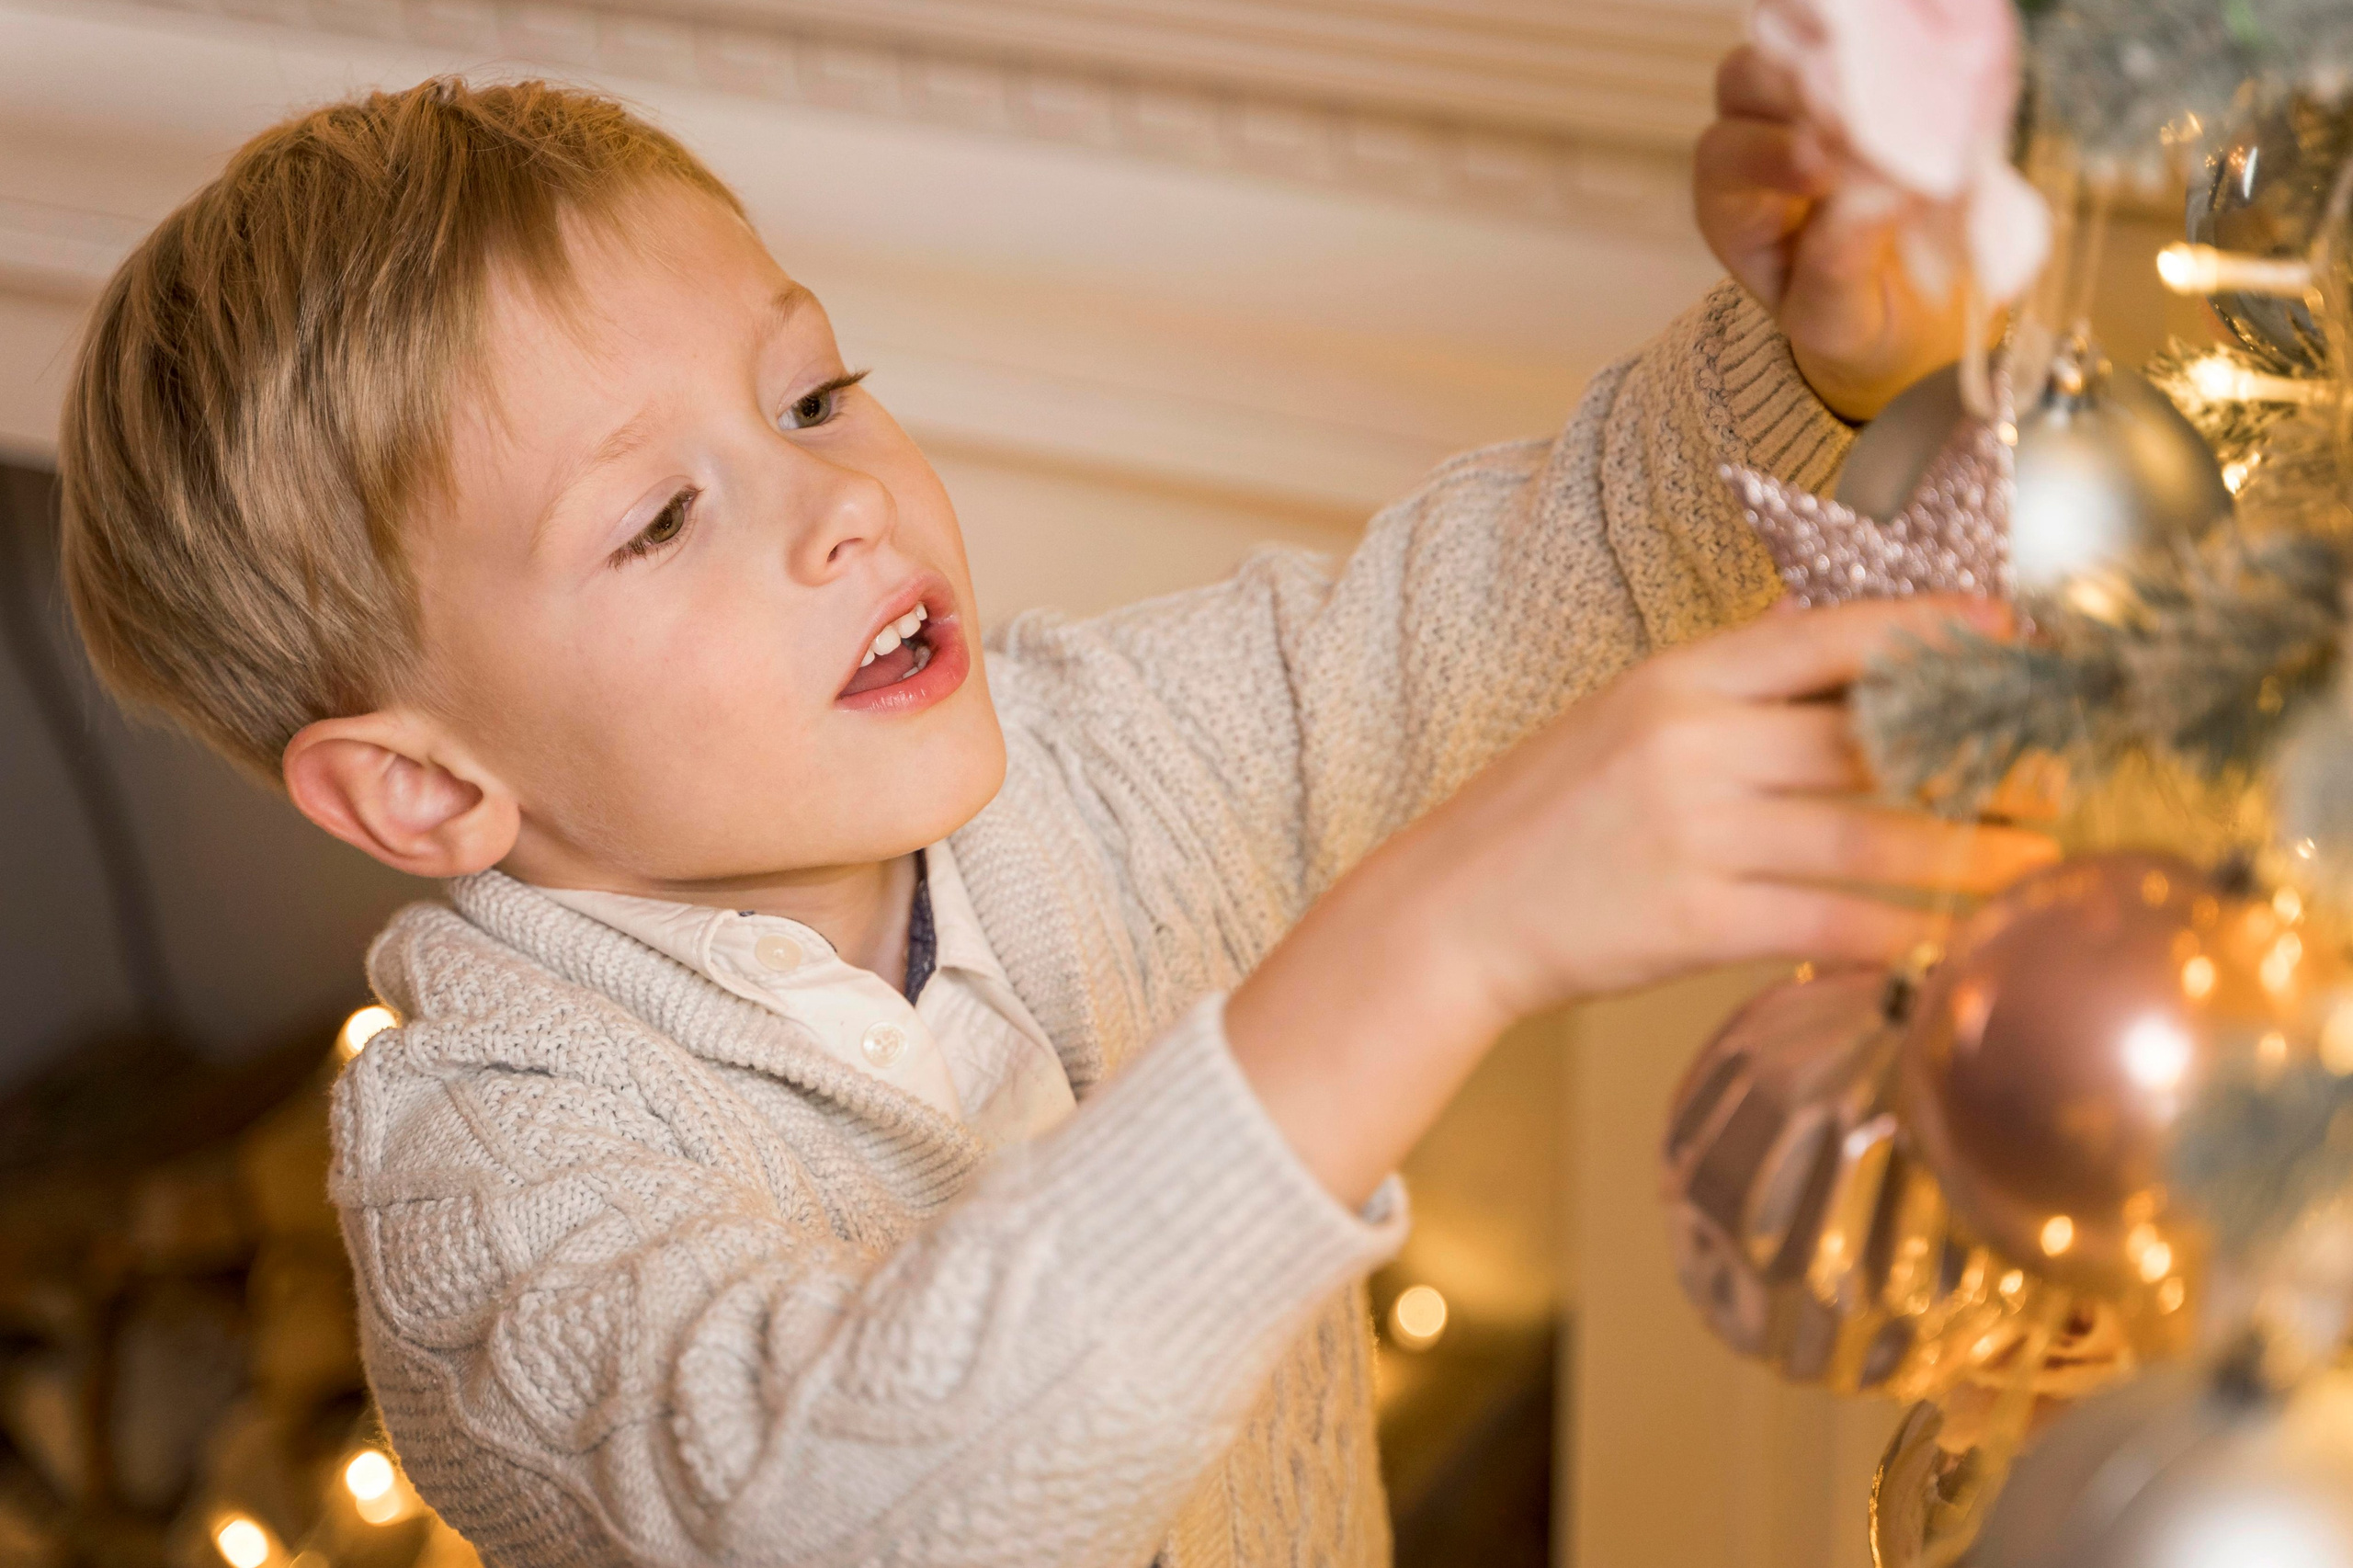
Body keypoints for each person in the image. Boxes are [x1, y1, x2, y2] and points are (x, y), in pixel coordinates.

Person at [55, 45, 2052, 1568]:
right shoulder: (482, 1173)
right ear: (423, 783)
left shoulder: (1106, 757)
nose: (842, 505)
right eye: (662, 517)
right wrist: (1441, 938)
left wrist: (1814, 342)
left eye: (815, 394)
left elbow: (1565, 558)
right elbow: (849, 1503)